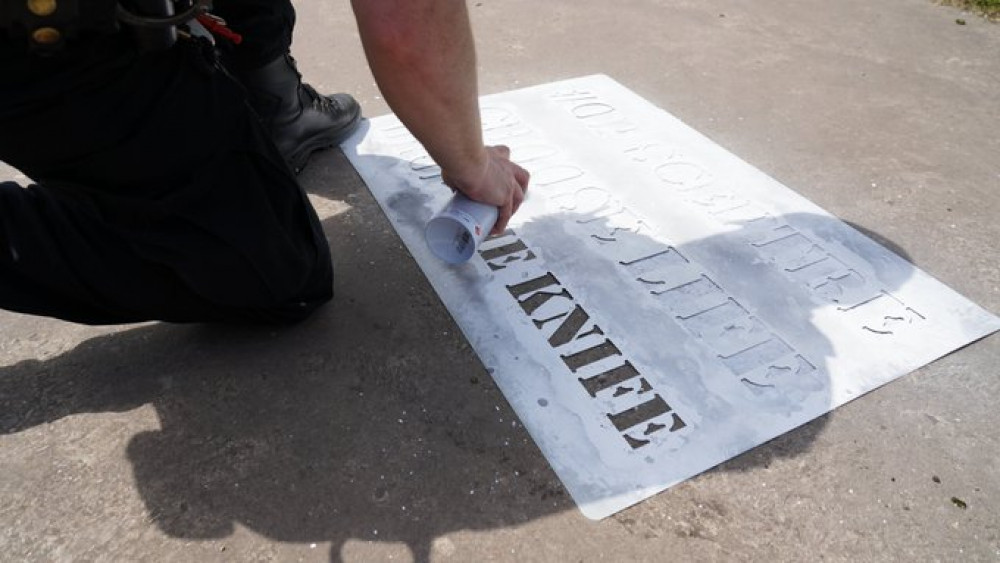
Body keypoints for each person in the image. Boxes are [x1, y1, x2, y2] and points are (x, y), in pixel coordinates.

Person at [0, 0, 530, 325]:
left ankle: (273, 103)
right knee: (270, 271)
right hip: (33, 36)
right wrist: (472, 165)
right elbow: (406, 23)